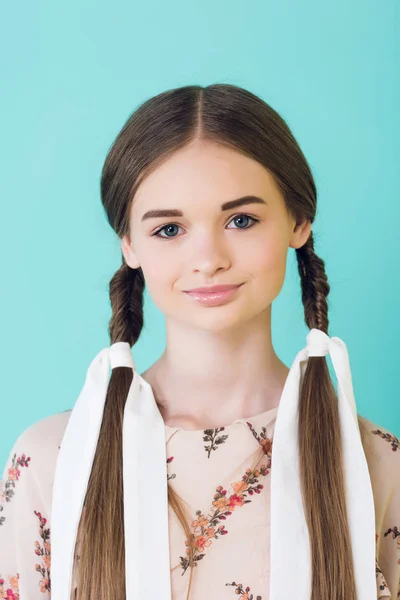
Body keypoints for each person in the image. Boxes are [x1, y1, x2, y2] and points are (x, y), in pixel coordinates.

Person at [0, 83, 399, 600]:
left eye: (241, 220)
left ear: (298, 222)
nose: (208, 258)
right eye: (169, 229)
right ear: (129, 244)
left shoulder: (375, 462)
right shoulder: (51, 461)